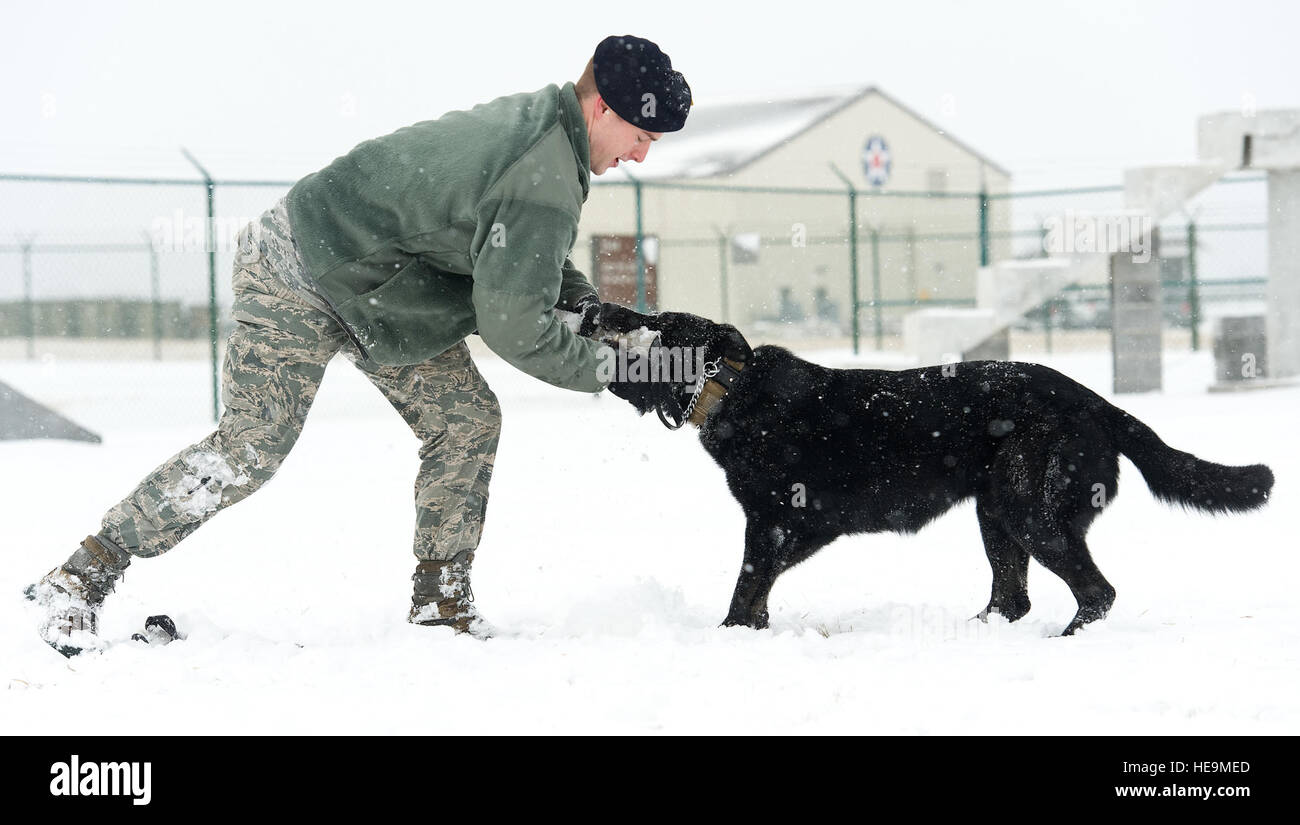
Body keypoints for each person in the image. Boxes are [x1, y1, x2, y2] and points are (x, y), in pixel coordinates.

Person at [27, 34, 691, 654]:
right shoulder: (542, 167)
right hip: (300, 269)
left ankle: (441, 604)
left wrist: (589, 312)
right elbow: (516, 326)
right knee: (251, 445)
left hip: (385, 295)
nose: (641, 155)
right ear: (600, 107)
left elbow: (526, 265)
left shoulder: (549, 140)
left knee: (464, 421)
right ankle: (83, 572)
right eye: (641, 136)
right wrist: (614, 367)